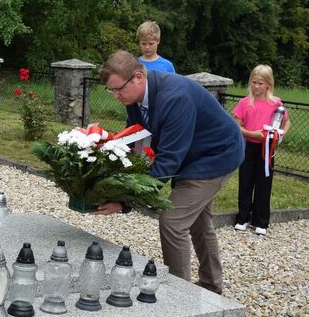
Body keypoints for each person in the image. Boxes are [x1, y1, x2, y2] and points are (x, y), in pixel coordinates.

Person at [94, 51, 244, 295]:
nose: (116, 96)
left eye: (118, 89)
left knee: (172, 221)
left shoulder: (175, 98)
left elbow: (167, 162)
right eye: (111, 91)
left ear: (138, 77)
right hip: (191, 154)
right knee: (197, 220)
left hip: (216, 156)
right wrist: (107, 161)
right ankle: (211, 285)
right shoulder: (136, 97)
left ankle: (178, 295)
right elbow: (138, 139)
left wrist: (124, 202)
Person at [232, 65, 290, 236]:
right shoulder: (244, 103)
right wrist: (252, 134)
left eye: (260, 83)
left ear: (268, 85)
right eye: (253, 82)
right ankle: (243, 217)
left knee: (264, 183)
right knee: (246, 181)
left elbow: (286, 122)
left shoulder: (276, 104)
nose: (256, 87)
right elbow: (236, 125)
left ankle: (261, 220)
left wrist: (281, 134)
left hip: (267, 148)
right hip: (248, 146)